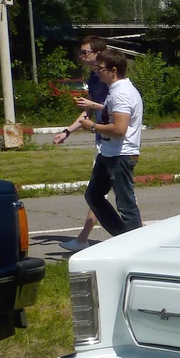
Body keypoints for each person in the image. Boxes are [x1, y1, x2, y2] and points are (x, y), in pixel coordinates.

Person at [76, 48, 143, 236]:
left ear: (113, 71)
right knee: (93, 195)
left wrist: (92, 126)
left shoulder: (121, 93)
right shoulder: (115, 91)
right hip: (109, 152)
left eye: (101, 68)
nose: (97, 71)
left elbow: (120, 129)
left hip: (120, 155)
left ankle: (135, 243)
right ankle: (122, 237)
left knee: (126, 205)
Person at [54, 36, 110, 252]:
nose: (81, 56)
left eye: (85, 52)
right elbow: (89, 110)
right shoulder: (94, 79)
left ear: (98, 53)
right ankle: (138, 232)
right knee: (116, 193)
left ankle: (83, 239)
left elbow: (117, 107)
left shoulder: (110, 76)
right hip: (101, 139)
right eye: (81, 52)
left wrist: (93, 104)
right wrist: (67, 131)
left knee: (101, 192)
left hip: (115, 139)